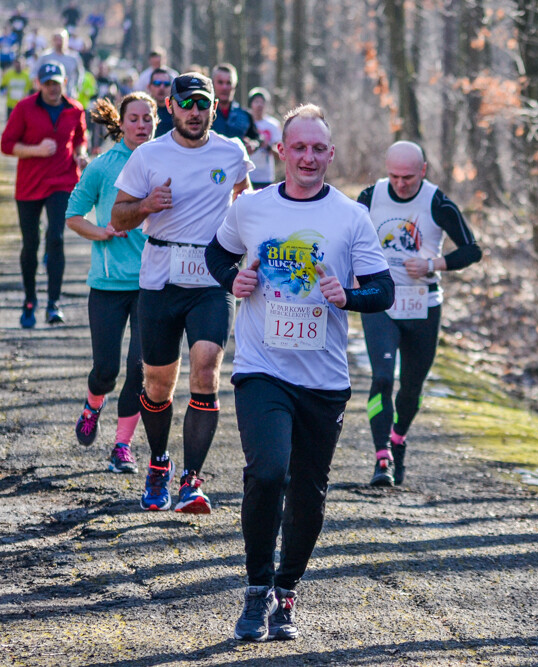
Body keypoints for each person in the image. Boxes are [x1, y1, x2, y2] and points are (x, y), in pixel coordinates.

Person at [205, 104, 394, 642]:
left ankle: (287, 589)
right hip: (263, 368)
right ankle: (256, 587)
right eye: (300, 147)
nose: (308, 157)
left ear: (330, 156)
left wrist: (349, 295)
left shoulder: (350, 217)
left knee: (309, 492)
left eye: (318, 149)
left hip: (324, 379)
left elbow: (383, 291)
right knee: (268, 473)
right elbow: (217, 254)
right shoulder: (252, 209)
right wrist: (233, 281)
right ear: (281, 151)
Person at [110, 72, 253, 513]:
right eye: (187, 104)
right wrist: (147, 205)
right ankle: (158, 465)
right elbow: (119, 217)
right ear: (170, 106)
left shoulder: (232, 153)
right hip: (160, 278)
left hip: (212, 277)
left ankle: (192, 480)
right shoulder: (148, 155)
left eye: (203, 104)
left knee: (207, 369)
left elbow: (246, 202)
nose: (195, 112)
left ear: (213, 108)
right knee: (156, 385)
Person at [358, 141, 482, 486]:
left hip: (423, 306)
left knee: (411, 389)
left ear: (423, 171)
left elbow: (473, 251)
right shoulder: (371, 197)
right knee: (382, 377)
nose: (400, 184)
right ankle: (381, 455)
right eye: (394, 176)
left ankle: (398, 436)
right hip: (381, 302)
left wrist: (433, 263)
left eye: (408, 178)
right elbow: (347, 236)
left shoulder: (436, 202)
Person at [66, 92, 157, 474]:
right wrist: (102, 233)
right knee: (106, 370)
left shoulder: (166, 162)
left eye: (147, 118)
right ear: (122, 123)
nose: (141, 125)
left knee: (139, 369)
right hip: (107, 284)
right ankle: (93, 404)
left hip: (152, 283)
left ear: (156, 121)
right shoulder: (103, 167)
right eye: (133, 119)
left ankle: (122, 446)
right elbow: (73, 215)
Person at [1, 62, 88, 327]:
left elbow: (80, 138)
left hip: (62, 181)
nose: (52, 88)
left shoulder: (75, 109)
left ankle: (53, 304)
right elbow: (6, 144)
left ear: (64, 83)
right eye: (48, 83)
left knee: (56, 238)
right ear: (39, 83)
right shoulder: (25, 108)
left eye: (56, 83)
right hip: (29, 185)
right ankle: (30, 301)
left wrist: (81, 155)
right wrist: (35, 150)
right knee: (31, 244)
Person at [210, 63, 259, 151]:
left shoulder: (246, 116)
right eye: (220, 82)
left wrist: (253, 145)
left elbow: (257, 139)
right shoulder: (203, 113)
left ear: (235, 85)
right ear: (213, 84)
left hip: (237, 163)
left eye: (229, 83)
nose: (224, 87)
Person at [31, 30, 85, 98]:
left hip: (68, 95)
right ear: (52, 41)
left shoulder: (74, 58)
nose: (59, 42)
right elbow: (35, 73)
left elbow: (80, 74)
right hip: (48, 96)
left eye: (61, 39)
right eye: (57, 40)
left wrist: (76, 88)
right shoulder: (45, 57)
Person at [247, 87, 280, 189]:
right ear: (251, 104)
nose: (259, 105)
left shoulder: (273, 125)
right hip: (247, 175)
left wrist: (268, 146)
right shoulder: (244, 123)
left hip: (266, 177)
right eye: (256, 101)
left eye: (262, 102)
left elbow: (280, 153)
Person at [1, 56, 32, 120]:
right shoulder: (8, 74)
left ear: (23, 64)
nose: (18, 65)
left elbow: (31, 90)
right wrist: (4, 91)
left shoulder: (27, 76)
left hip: (23, 105)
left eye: (20, 63)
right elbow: (2, 87)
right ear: (14, 63)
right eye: (16, 63)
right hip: (10, 105)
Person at [146, 67, 173, 137]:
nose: (162, 87)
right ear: (149, 87)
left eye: (166, 84)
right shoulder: (143, 112)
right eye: (157, 83)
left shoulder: (177, 112)